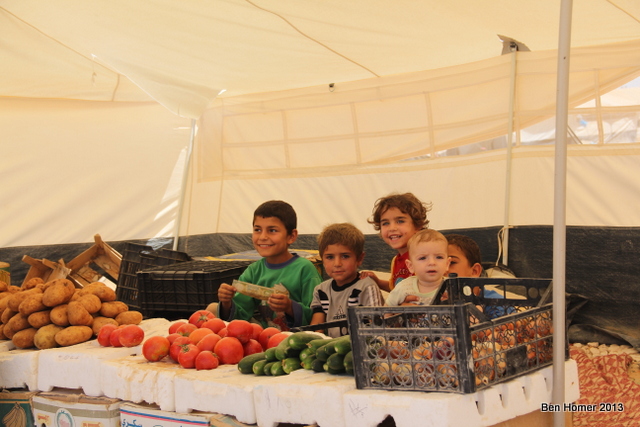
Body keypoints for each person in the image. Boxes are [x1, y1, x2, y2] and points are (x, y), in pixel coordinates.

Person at [215, 200, 322, 330]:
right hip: (267, 338)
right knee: (212, 308)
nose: (263, 237)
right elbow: (241, 316)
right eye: (257, 229)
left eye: (272, 230)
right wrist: (227, 303)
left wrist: (289, 307)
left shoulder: (305, 269)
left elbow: (317, 316)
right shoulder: (254, 271)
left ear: (291, 236)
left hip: (298, 341)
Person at [310, 223, 384, 337]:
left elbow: (377, 327)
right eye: (330, 257)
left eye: (345, 256)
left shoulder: (367, 287)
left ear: (359, 259)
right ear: (322, 260)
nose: (337, 264)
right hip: (332, 349)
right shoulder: (320, 290)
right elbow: (317, 328)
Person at [361, 192, 432, 292]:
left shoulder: (425, 257)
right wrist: (378, 282)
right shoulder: (396, 260)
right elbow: (396, 290)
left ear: (417, 225)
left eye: (400, 221)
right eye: (385, 223)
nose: (392, 228)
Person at [386, 229, 450, 306]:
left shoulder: (453, 287)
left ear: (447, 264)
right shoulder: (404, 287)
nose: (432, 263)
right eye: (422, 258)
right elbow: (386, 311)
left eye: (439, 257)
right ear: (410, 266)